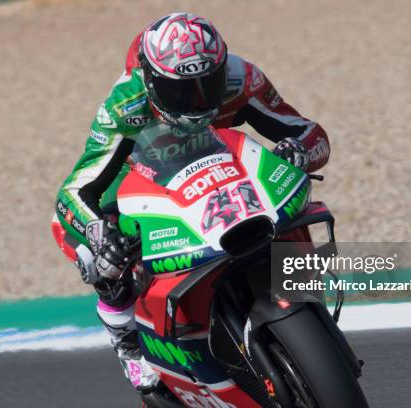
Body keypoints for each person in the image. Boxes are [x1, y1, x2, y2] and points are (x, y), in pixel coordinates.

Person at [51, 12, 330, 392]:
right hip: (139, 173)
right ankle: (128, 344)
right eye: (182, 90)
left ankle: (297, 294)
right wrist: (100, 233)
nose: (198, 101)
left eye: (208, 84)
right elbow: (73, 193)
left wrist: (297, 151)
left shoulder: (240, 78)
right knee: (100, 256)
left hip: (216, 163)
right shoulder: (124, 106)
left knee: (284, 209)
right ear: (151, 81)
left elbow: (310, 133)